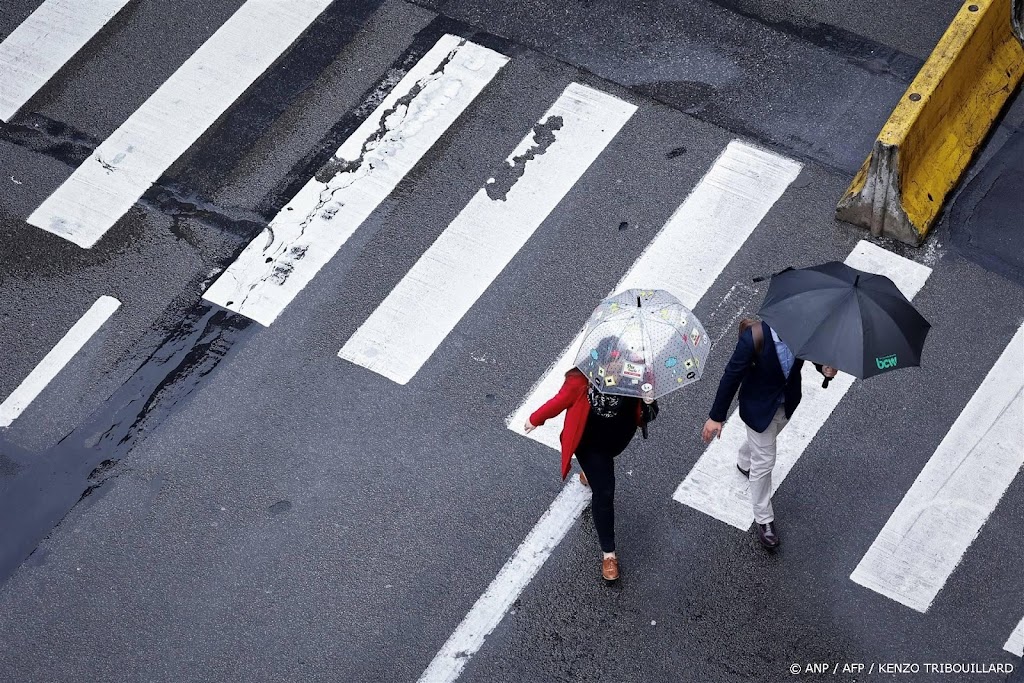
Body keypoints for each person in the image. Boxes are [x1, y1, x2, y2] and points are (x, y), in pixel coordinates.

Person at [701, 319, 836, 549]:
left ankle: (744, 461)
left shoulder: (802, 331)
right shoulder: (754, 339)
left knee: (764, 440)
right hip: (758, 408)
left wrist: (824, 368)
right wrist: (716, 416)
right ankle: (764, 520)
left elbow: (811, 354)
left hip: (786, 404)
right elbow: (731, 376)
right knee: (764, 461)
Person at [524, 346, 649, 582]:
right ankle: (608, 554)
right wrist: (535, 419)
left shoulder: (635, 378)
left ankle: (591, 475)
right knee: (604, 493)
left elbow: (647, 415)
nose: (617, 367)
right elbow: (559, 401)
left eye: (620, 363)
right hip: (589, 444)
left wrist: (649, 401)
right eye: (613, 363)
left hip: (615, 441)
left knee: (600, 475)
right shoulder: (583, 379)